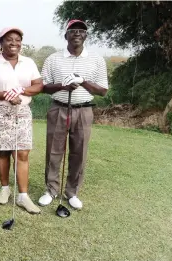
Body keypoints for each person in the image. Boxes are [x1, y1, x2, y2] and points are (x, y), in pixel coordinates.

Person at [38, 20, 108, 210]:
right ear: (66, 35)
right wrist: (63, 85)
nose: (77, 33)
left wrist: (83, 81)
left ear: (85, 35)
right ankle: (51, 190)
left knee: (79, 152)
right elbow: (43, 87)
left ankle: (72, 192)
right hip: (58, 108)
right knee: (54, 151)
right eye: (72, 30)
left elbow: (102, 91)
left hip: (84, 110)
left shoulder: (96, 59)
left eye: (81, 31)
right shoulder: (53, 59)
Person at [0, 27, 43, 214]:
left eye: (17, 39)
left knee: (22, 153)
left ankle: (23, 196)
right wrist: (6, 95)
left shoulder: (29, 62)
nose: (13, 43)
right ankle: (5, 188)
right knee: (3, 152)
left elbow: (38, 85)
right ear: (1, 43)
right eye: (9, 39)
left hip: (22, 111)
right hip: (0, 112)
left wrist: (21, 90)